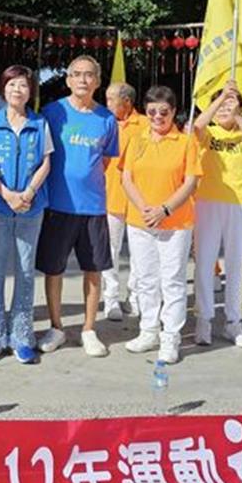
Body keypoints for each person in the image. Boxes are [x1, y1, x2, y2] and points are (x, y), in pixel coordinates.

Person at [35, 55, 118, 357]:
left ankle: (88, 329)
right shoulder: (52, 112)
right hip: (57, 205)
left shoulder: (107, 119)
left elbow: (106, 159)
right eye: (77, 74)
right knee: (53, 269)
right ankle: (56, 327)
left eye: (89, 75)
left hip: (93, 208)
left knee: (93, 271)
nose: (83, 80)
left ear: (98, 81)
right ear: (68, 79)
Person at [0, 65, 53, 364]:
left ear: (30, 91)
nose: (17, 90)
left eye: (22, 85)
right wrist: (6, 193)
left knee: (24, 271)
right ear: (3, 89)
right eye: (11, 85)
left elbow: (46, 162)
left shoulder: (40, 123)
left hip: (31, 207)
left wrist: (29, 193)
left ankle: (22, 336)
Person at [121, 86, 202, 363]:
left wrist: (165, 209)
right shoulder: (137, 140)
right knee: (145, 280)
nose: (157, 117)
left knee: (173, 281)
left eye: (164, 112)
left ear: (174, 112)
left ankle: (171, 337)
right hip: (140, 220)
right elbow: (127, 178)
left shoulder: (186, 142)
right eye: (152, 111)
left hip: (176, 223)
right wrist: (144, 207)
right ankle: (148, 330)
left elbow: (190, 182)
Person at [193, 80, 242, 349]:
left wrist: (238, 117)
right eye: (219, 105)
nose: (224, 109)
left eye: (230, 105)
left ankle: (234, 322)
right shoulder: (208, 133)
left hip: (239, 204)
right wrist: (221, 97)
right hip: (207, 202)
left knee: (236, 264)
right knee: (204, 263)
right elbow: (196, 127)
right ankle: (204, 319)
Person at [103, 82, 144, 321]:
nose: (107, 104)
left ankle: (135, 296)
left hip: (140, 198)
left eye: (111, 99)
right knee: (110, 250)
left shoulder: (147, 125)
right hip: (111, 196)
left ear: (126, 102)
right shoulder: (105, 123)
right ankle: (111, 299)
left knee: (140, 253)